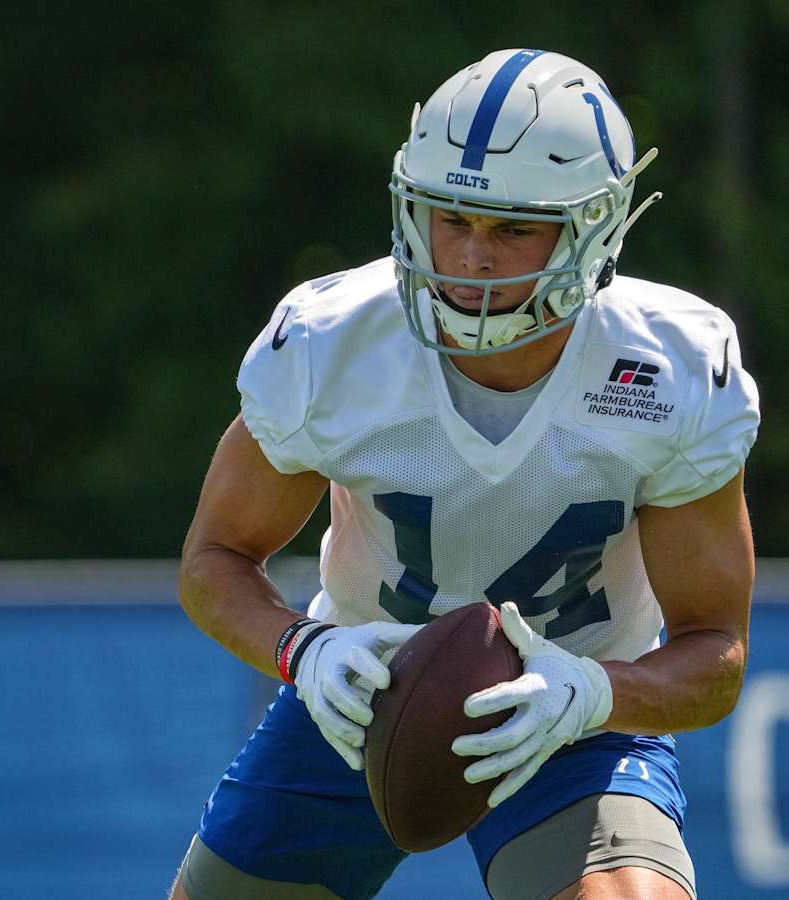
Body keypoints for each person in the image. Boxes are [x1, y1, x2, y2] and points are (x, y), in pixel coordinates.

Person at [170, 47, 758, 900]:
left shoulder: (666, 369)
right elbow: (211, 561)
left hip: (576, 710)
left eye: (514, 227)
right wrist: (305, 649)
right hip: (362, 696)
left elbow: (717, 656)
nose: (472, 259)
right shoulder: (335, 344)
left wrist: (593, 693)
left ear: (595, 226)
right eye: (452, 218)